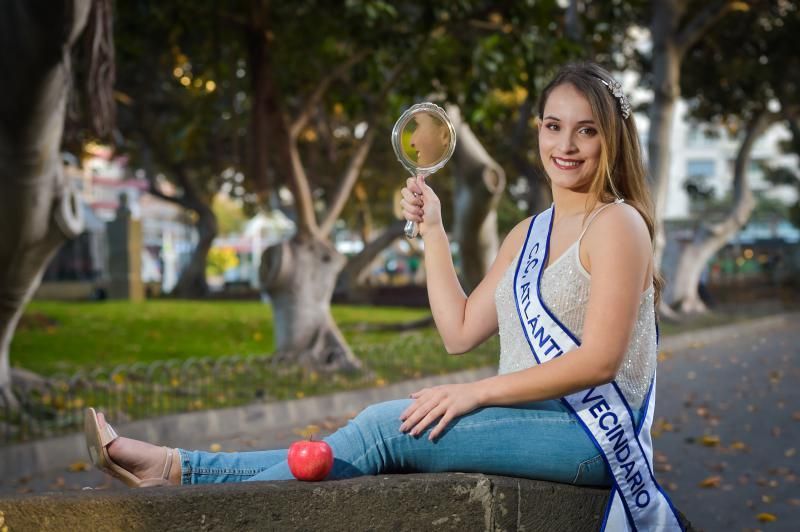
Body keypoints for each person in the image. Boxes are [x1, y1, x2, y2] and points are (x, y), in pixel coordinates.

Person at [84, 62, 680, 529]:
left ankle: (181, 490)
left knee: (382, 429)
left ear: (612, 139)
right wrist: (435, 233)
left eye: (587, 130)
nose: (566, 145)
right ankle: (175, 469)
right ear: (540, 131)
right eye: (554, 125)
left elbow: (599, 359)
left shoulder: (618, 225)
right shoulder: (528, 234)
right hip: (528, 423)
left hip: (591, 436)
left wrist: (474, 393)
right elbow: (459, 331)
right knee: (371, 431)